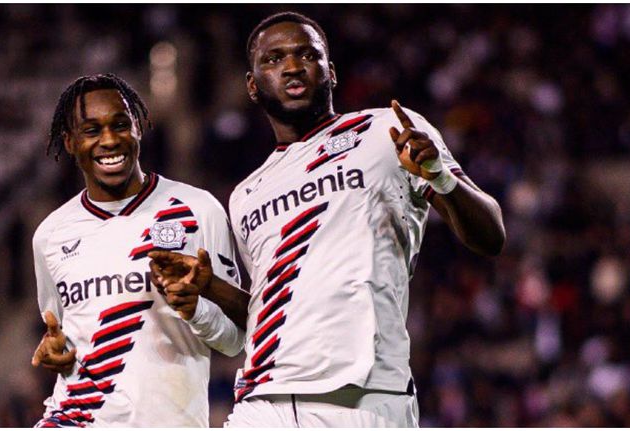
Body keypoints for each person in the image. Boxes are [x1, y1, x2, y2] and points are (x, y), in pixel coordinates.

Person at [149, 12, 505, 427]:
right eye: (273, 59)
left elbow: (491, 236)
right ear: (251, 85)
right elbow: (269, 312)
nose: (292, 66)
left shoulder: (387, 130)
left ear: (330, 72)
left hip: (364, 399)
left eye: (307, 55)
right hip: (264, 400)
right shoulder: (246, 194)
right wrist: (212, 289)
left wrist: (439, 177)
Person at [29, 73, 248, 427]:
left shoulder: (197, 209)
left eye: (120, 125)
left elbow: (235, 341)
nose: (110, 140)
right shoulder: (50, 235)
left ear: (139, 129)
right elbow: (61, 334)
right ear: (69, 142)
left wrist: (196, 311)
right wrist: (58, 353)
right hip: (77, 418)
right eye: (91, 130)